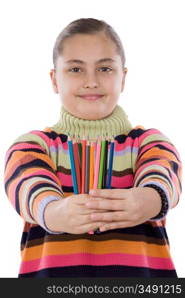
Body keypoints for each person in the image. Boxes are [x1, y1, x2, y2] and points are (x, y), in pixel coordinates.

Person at [4, 18, 182, 278]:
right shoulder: (31, 146)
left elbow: (164, 177)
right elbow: (29, 189)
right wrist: (55, 213)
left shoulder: (150, 142)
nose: (91, 81)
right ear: (55, 79)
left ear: (123, 77)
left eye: (105, 69)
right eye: (75, 69)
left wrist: (148, 199)